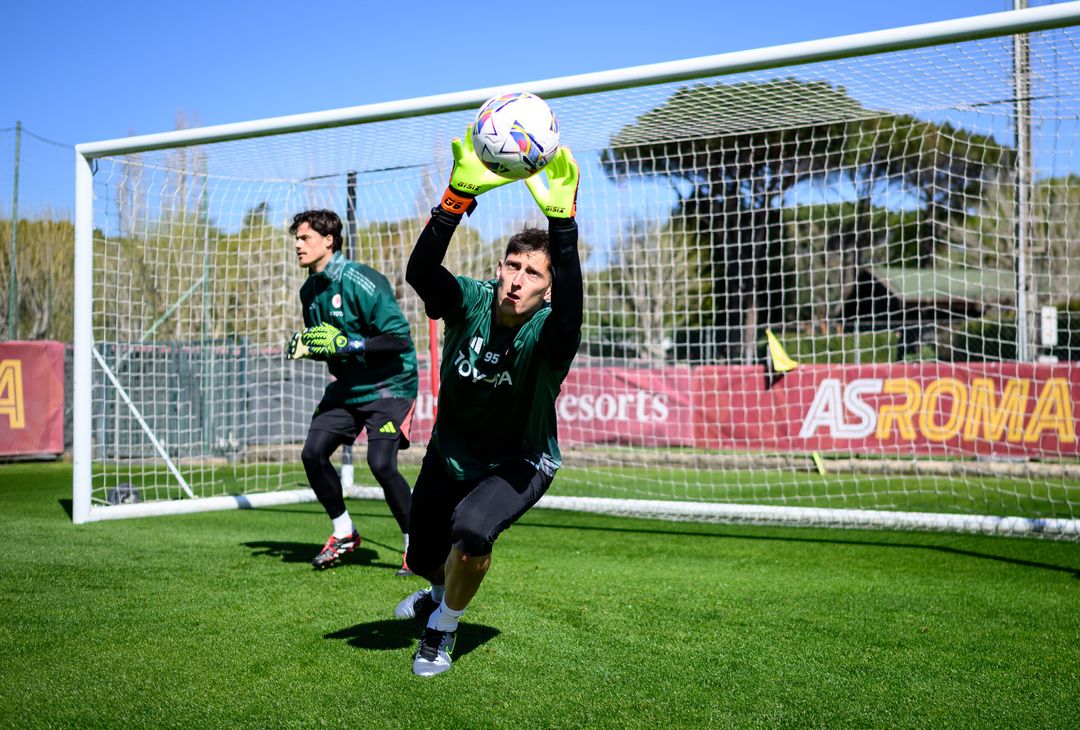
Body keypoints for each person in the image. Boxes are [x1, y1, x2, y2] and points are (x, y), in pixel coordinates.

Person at [395, 131, 581, 676]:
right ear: (499, 269)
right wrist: (454, 201)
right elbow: (420, 274)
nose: (518, 280)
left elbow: (571, 310)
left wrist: (562, 225)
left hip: (519, 461)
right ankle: (438, 593)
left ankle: (442, 628)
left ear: (547, 289)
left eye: (533, 274)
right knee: (423, 555)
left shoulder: (551, 333)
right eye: (512, 266)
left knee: (474, 531)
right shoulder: (471, 301)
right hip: (450, 453)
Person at [286, 209, 419, 573]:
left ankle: (416, 546)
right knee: (313, 454)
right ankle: (344, 532)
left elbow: (398, 339)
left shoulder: (361, 280)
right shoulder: (308, 292)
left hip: (391, 385)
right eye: (296, 239)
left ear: (329, 241)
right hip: (347, 388)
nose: (297, 245)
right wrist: (310, 349)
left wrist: (349, 344)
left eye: (305, 238)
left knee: (380, 464)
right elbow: (333, 347)